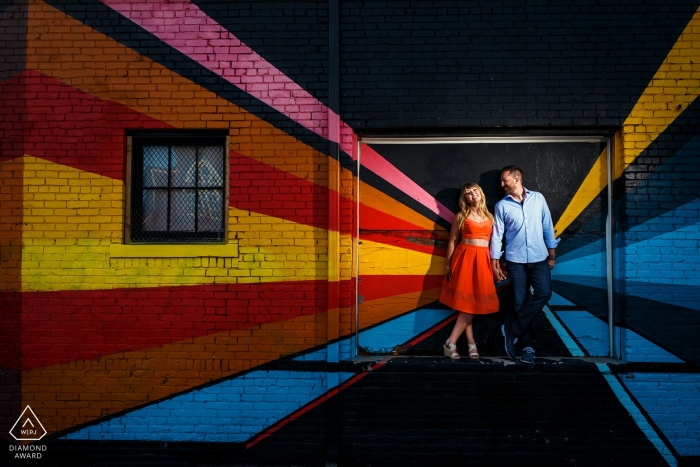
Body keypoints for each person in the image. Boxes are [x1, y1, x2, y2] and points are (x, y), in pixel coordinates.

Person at [490, 166, 559, 364]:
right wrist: (495, 263)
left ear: (517, 178)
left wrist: (552, 254)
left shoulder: (538, 198)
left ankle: (512, 330)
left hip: (539, 257)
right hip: (515, 260)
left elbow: (547, 226)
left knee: (544, 293)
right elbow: (497, 236)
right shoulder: (502, 205)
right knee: (520, 302)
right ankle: (528, 346)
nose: (502, 185)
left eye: (505, 181)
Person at [440, 183, 500, 360]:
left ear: (480, 193)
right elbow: (452, 241)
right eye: (468, 193)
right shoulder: (461, 216)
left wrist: (496, 266)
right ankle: (466, 343)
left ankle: (454, 342)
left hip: (483, 261)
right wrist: (448, 265)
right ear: (465, 198)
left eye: (475, 191)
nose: (473, 195)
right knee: (468, 303)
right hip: (465, 259)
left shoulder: (490, 216)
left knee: (472, 303)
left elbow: (495, 243)